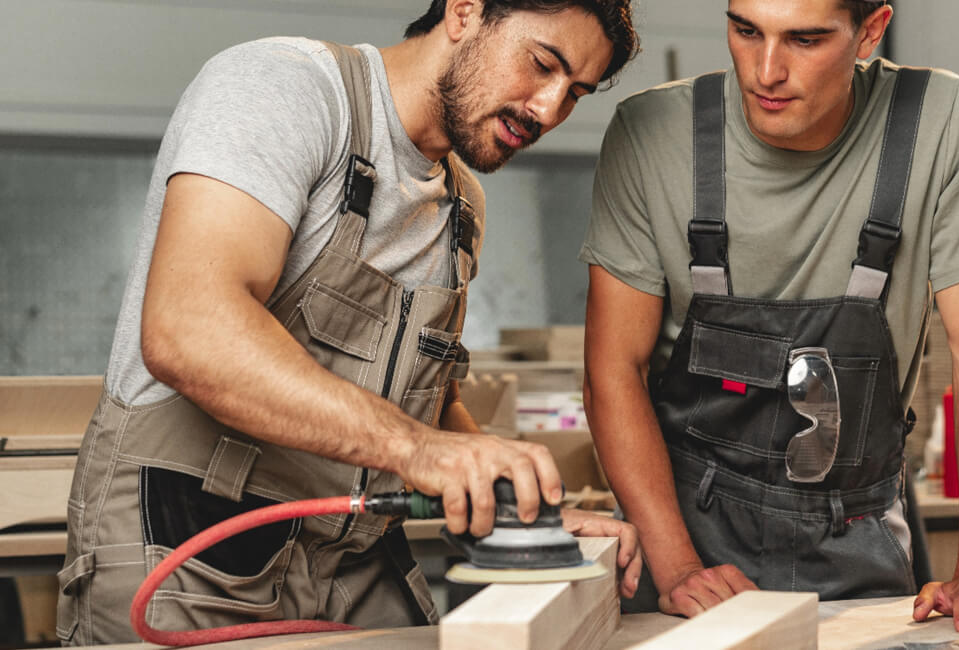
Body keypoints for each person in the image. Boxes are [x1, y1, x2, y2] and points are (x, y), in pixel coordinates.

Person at [57, 0, 639, 645]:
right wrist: (417, 450)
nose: (549, 110)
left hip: (349, 566)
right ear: (464, 11)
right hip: (191, 554)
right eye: (542, 64)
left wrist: (521, 512)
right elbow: (189, 330)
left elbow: (430, 407)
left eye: (575, 93)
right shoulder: (286, 87)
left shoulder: (460, 207)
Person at [580, 0, 959, 634]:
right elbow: (613, 370)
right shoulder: (652, 134)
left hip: (856, 540)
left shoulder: (937, 122)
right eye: (746, 31)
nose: (765, 71)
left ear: (870, 31)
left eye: (805, 39)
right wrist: (678, 566)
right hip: (681, 543)